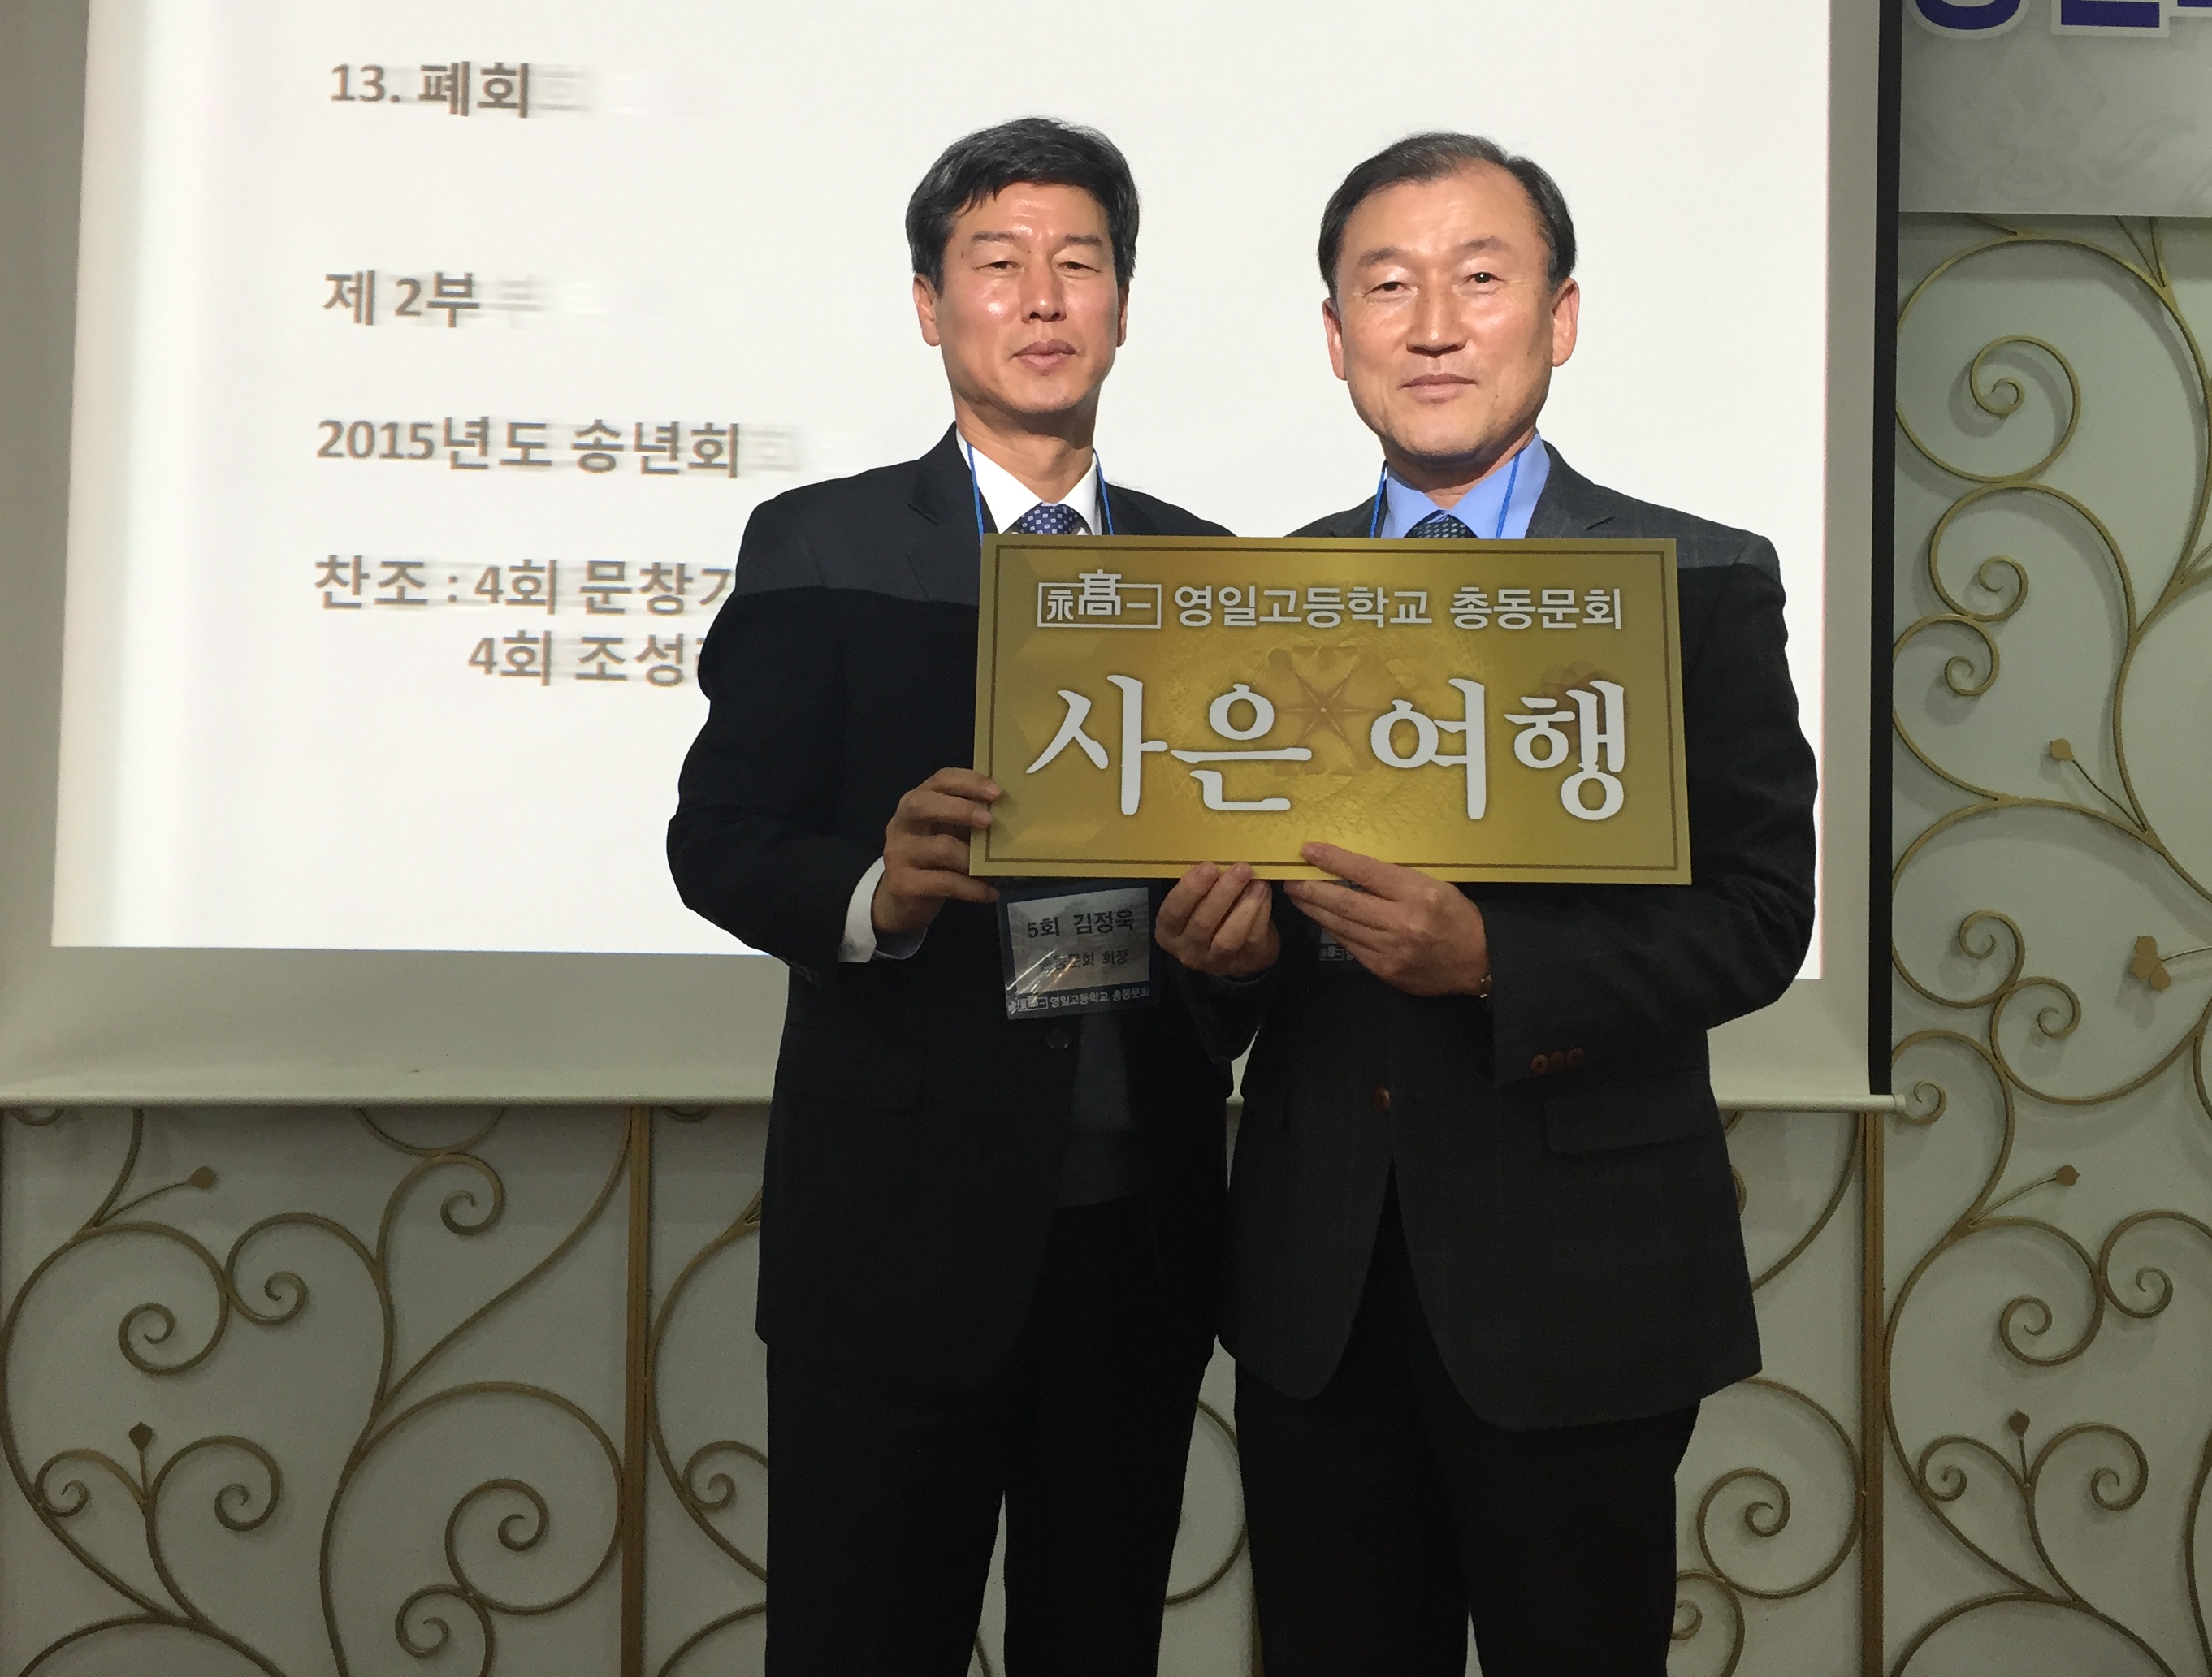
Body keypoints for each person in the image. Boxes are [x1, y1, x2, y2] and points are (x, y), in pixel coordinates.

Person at [1156, 132, 1817, 1675]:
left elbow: (1760, 914)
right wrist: (1222, 961)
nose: (1435, 326)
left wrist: (1494, 964)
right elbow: (1238, 958)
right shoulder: (1264, 597)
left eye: (1480, 278)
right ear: (1337, 339)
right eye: (1388, 287)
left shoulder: (1694, 580)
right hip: (1319, 1290)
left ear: (1560, 317)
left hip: (1581, 1287)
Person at [668, 118, 1235, 1676]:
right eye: (998, 263)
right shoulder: (821, 543)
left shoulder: (1204, 571)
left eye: (1079, 264)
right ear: (931, 305)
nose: (1042, 298)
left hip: (1136, 1234)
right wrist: (878, 891)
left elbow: (1239, 887)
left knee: (1099, 1643)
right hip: (893, 1240)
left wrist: (1241, 952)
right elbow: (721, 837)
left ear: (1122, 306)